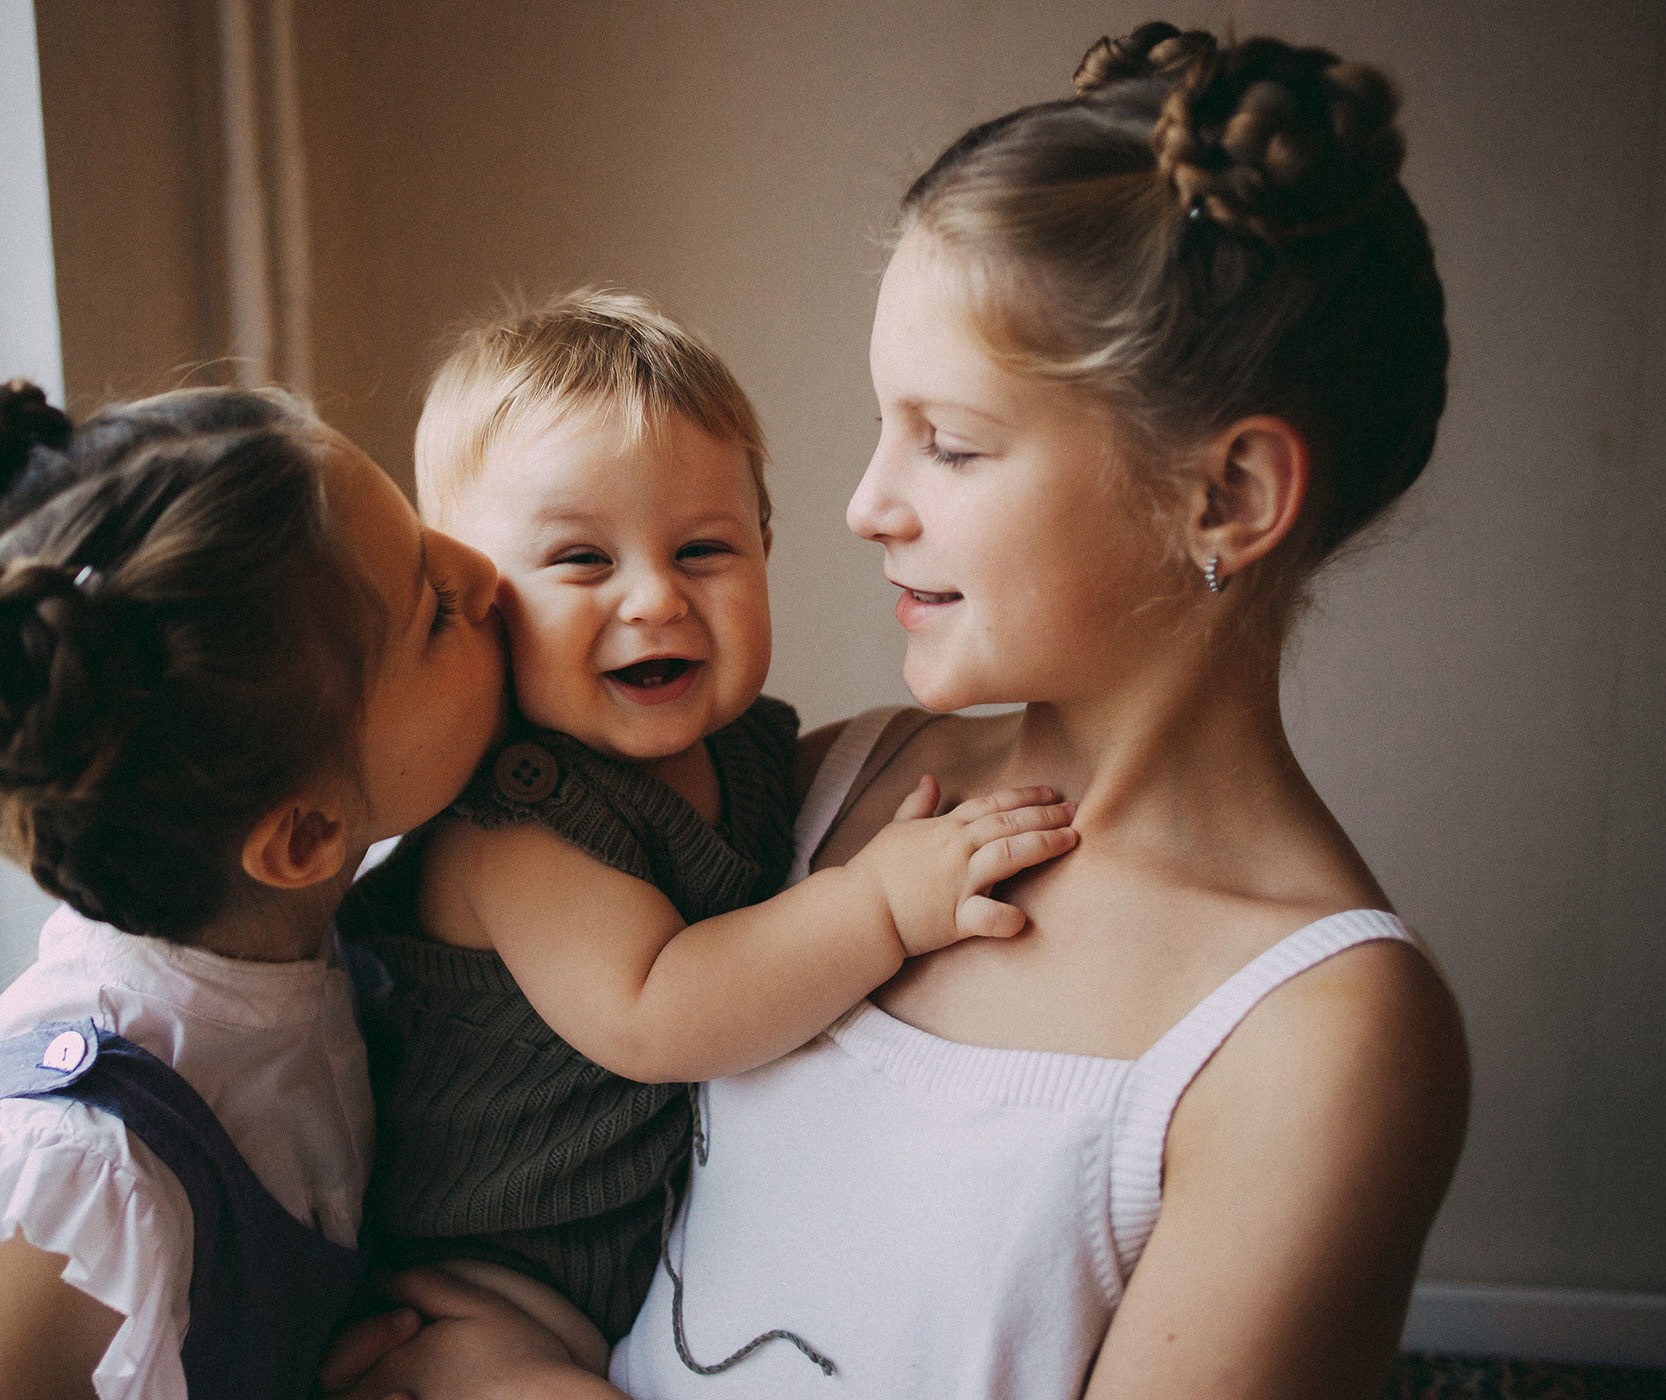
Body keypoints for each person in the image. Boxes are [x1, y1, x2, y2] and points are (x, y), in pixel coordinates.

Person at [324, 22, 1470, 1400]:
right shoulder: (819, 790)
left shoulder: (1318, 1038)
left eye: (953, 442)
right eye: (883, 429)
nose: (866, 508)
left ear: (1222, 499)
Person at [336, 290, 1079, 1371]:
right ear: (482, 590)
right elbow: (662, 1008)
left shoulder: (754, 754)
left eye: (703, 551)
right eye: (583, 561)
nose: (655, 598)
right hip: (481, 1289)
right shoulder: (514, 825)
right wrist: (878, 902)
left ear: (765, 545)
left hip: (646, 1273)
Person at [0, 380, 510, 1400]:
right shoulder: (66, 1188)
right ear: (301, 834)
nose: (486, 574)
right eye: (436, 609)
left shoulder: (309, 938)